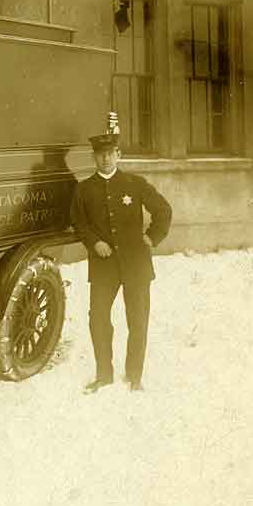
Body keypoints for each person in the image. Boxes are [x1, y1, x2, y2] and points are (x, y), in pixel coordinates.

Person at [71, 131, 172, 393]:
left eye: (110, 154)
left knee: (137, 320)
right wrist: (95, 242)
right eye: (100, 155)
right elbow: (79, 223)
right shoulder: (83, 189)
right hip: (104, 266)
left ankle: (134, 376)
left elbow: (163, 210)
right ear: (94, 157)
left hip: (136, 264)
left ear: (119, 155)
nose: (105, 159)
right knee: (98, 318)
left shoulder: (134, 183)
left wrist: (152, 237)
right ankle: (104, 375)